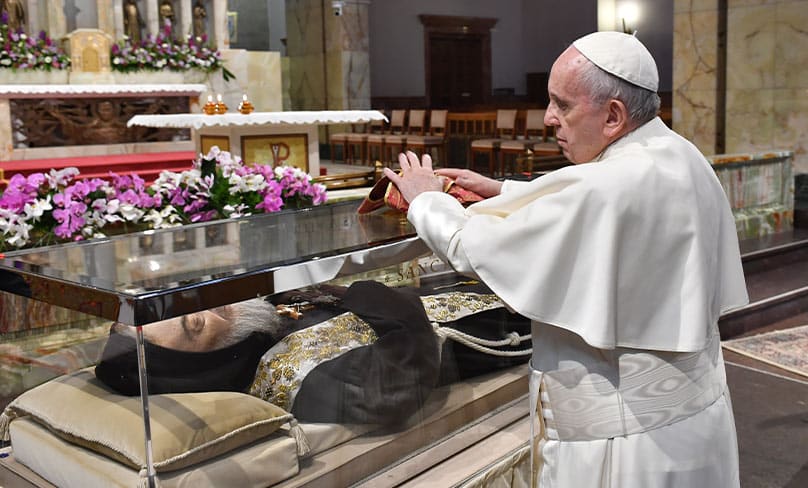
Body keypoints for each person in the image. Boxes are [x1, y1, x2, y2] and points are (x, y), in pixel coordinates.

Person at [384, 31, 749, 487]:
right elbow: (588, 201)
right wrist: (504, 191)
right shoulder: (678, 155)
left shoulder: (607, 187)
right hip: (695, 426)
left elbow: (471, 247)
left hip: (625, 449)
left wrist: (424, 201)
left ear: (614, 115)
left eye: (563, 105)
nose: (548, 119)